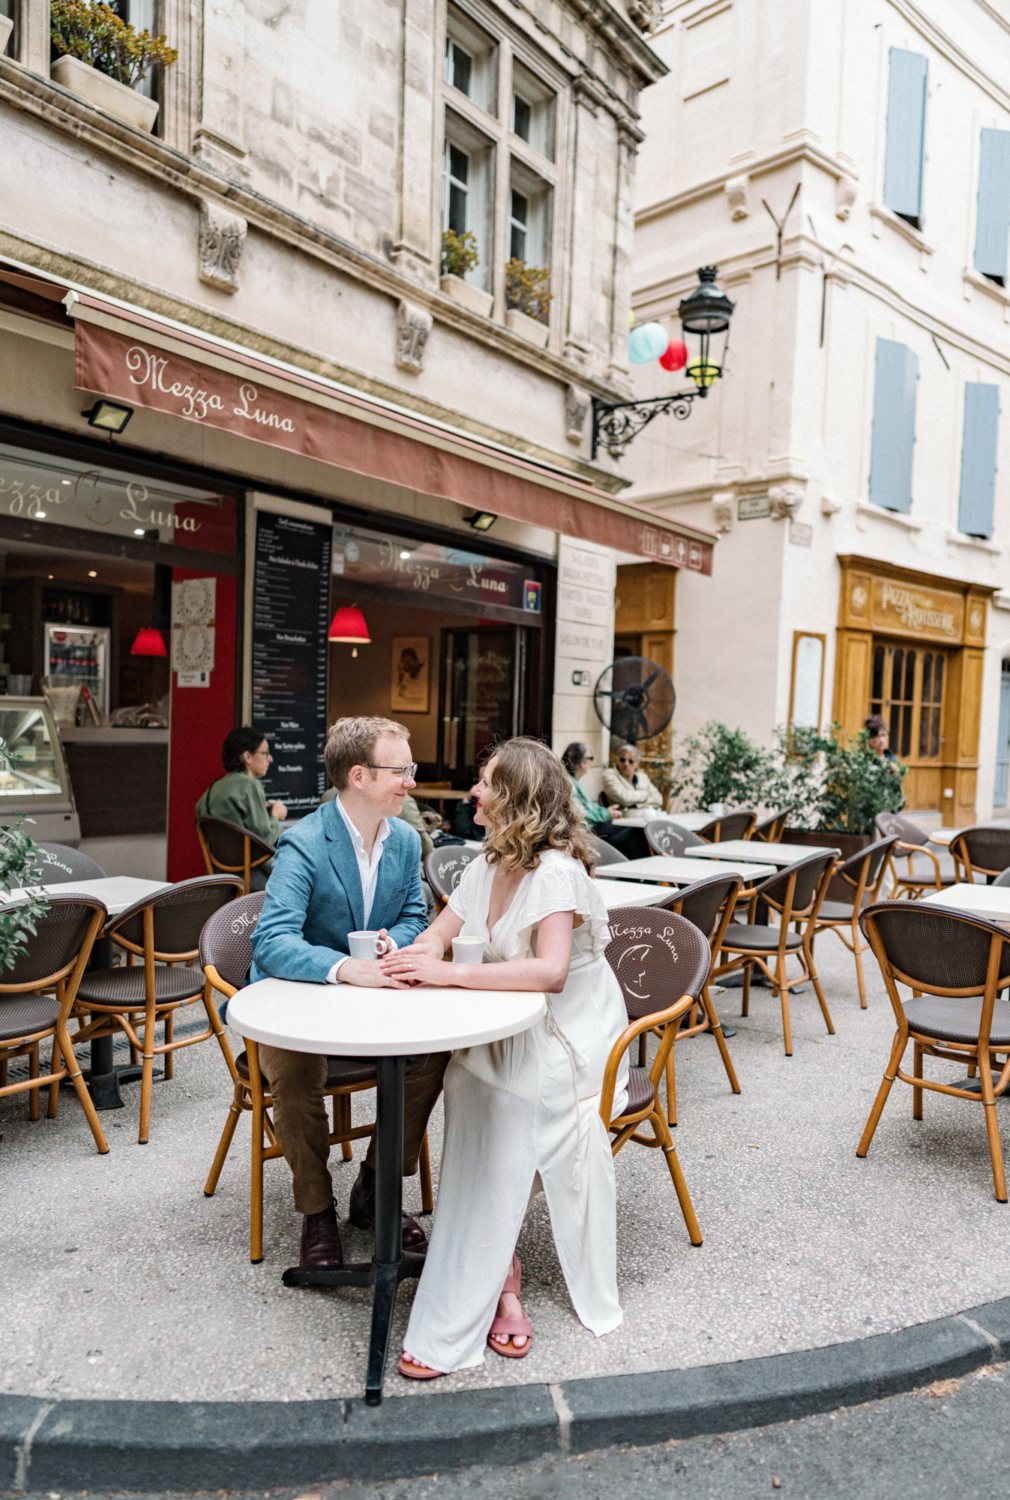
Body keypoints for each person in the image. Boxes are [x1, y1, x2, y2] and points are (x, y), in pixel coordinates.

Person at [383, 737, 629, 1379]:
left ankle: (495, 1279)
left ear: (515, 797)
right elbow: (438, 936)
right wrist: (406, 957)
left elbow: (550, 973)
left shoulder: (556, 873)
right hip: (503, 1023)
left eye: (485, 783)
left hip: (570, 1036)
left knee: (507, 1098)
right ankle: (497, 1269)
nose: (473, 793)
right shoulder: (487, 864)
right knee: (468, 1080)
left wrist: (450, 978)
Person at [249, 716, 448, 1270]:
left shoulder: (406, 841)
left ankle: (374, 1188)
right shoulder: (305, 842)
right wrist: (344, 968)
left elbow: (415, 914)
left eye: (411, 769)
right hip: (298, 1004)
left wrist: (394, 941)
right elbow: (272, 940)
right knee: (293, 1069)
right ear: (358, 775)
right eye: (401, 770)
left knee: (432, 1054)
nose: (411, 780)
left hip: (372, 1001)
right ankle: (316, 1211)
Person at [196, 727, 287, 887]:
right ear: (247, 757)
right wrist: (275, 816)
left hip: (218, 877)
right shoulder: (250, 785)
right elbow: (264, 840)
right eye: (265, 753)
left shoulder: (211, 791)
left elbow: (234, 829)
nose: (270, 758)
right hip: (251, 876)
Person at [561, 741, 648, 859]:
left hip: (592, 826)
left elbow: (589, 806)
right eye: (591, 758)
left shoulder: (574, 780)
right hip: (586, 830)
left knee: (636, 832)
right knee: (634, 833)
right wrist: (606, 814)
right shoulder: (568, 782)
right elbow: (578, 812)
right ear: (583, 762)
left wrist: (606, 811)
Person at [601, 744, 663, 813]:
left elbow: (659, 800)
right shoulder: (609, 774)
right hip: (623, 818)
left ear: (637, 764)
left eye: (631, 761)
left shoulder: (642, 777)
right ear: (617, 761)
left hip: (645, 816)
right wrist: (646, 794)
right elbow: (624, 798)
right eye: (622, 760)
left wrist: (636, 805)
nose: (626, 763)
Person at [865, 715, 906, 811]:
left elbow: (900, 798)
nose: (881, 740)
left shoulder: (891, 759)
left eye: (883, 735)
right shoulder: (865, 761)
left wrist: (896, 777)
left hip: (889, 813)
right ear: (868, 739)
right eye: (876, 736)